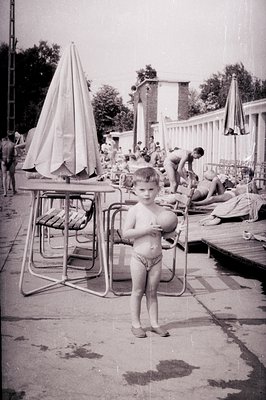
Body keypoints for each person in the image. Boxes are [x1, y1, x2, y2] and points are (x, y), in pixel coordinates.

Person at [123, 167, 171, 338]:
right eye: (142, 190)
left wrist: (174, 230)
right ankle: (136, 324)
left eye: (151, 189)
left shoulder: (162, 211)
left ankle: (155, 324)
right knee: (137, 291)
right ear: (134, 189)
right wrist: (145, 230)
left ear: (158, 189)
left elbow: (166, 232)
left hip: (157, 258)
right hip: (139, 258)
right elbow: (126, 233)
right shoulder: (134, 210)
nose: (146, 194)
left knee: (152, 292)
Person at [193, 168, 258, 206]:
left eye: (247, 177)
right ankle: (207, 198)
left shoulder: (251, 183)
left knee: (213, 198)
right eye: (244, 177)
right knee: (215, 179)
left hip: (232, 195)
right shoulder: (242, 182)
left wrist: (253, 183)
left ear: (251, 177)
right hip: (227, 191)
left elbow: (256, 196)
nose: (245, 179)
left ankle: (196, 203)